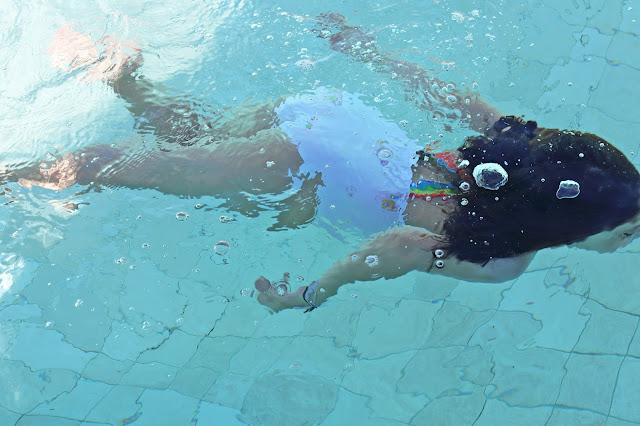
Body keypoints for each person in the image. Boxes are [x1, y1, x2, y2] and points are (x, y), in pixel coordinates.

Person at [3, 16, 639, 314]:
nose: (632, 238)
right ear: (573, 224)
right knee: (164, 171)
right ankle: (16, 173)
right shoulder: (502, 262)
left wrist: (370, 53)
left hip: (338, 118)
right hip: (314, 165)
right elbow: (394, 246)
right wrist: (310, 295)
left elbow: (453, 97)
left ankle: (123, 75)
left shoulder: (520, 161)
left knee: (198, 143)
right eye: (629, 228)